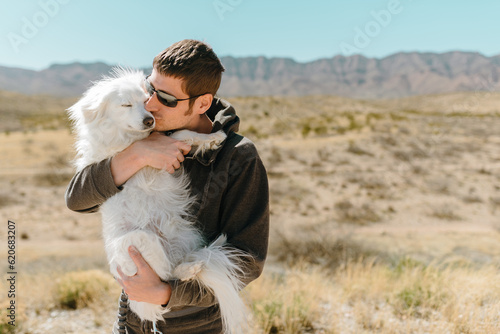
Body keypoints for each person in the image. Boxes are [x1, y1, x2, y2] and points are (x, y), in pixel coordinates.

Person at [65, 39, 269, 334]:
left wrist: (166, 293)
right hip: (132, 321)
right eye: (151, 89)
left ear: (202, 103)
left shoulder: (238, 157)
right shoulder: (137, 133)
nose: (151, 105)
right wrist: (135, 155)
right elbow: (78, 199)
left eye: (168, 99)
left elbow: (248, 259)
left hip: (198, 325)